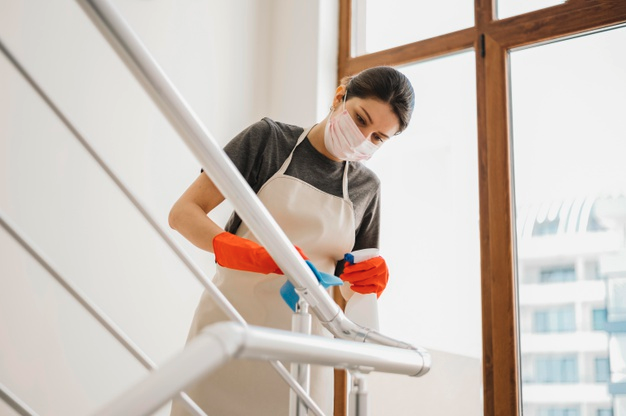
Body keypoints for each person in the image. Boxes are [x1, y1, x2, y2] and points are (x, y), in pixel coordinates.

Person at [168, 66, 414, 416]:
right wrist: (247, 253)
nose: (363, 139)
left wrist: (364, 286)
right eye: (360, 119)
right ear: (339, 98)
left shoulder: (366, 189)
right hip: (229, 333)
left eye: (378, 138)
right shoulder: (269, 141)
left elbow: (348, 299)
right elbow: (183, 213)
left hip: (305, 354)